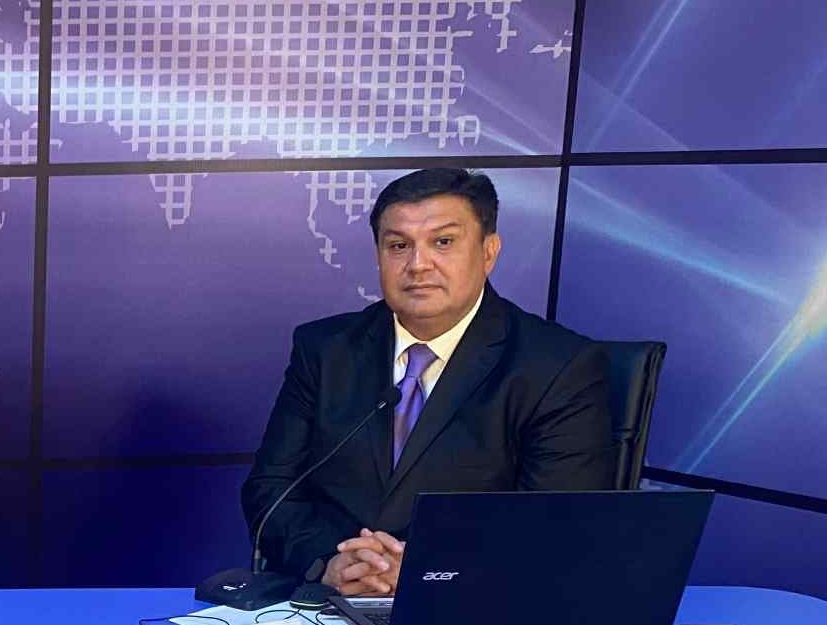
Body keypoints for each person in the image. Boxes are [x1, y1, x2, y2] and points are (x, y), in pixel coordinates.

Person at [242, 167, 615, 597]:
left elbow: (557, 528)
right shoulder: (325, 350)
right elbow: (271, 489)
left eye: (443, 242)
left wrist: (427, 571)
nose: (418, 265)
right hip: (330, 604)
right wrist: (329, 563)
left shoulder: (558, 367)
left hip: (472, 609)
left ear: (489, 252)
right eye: (399, 246)